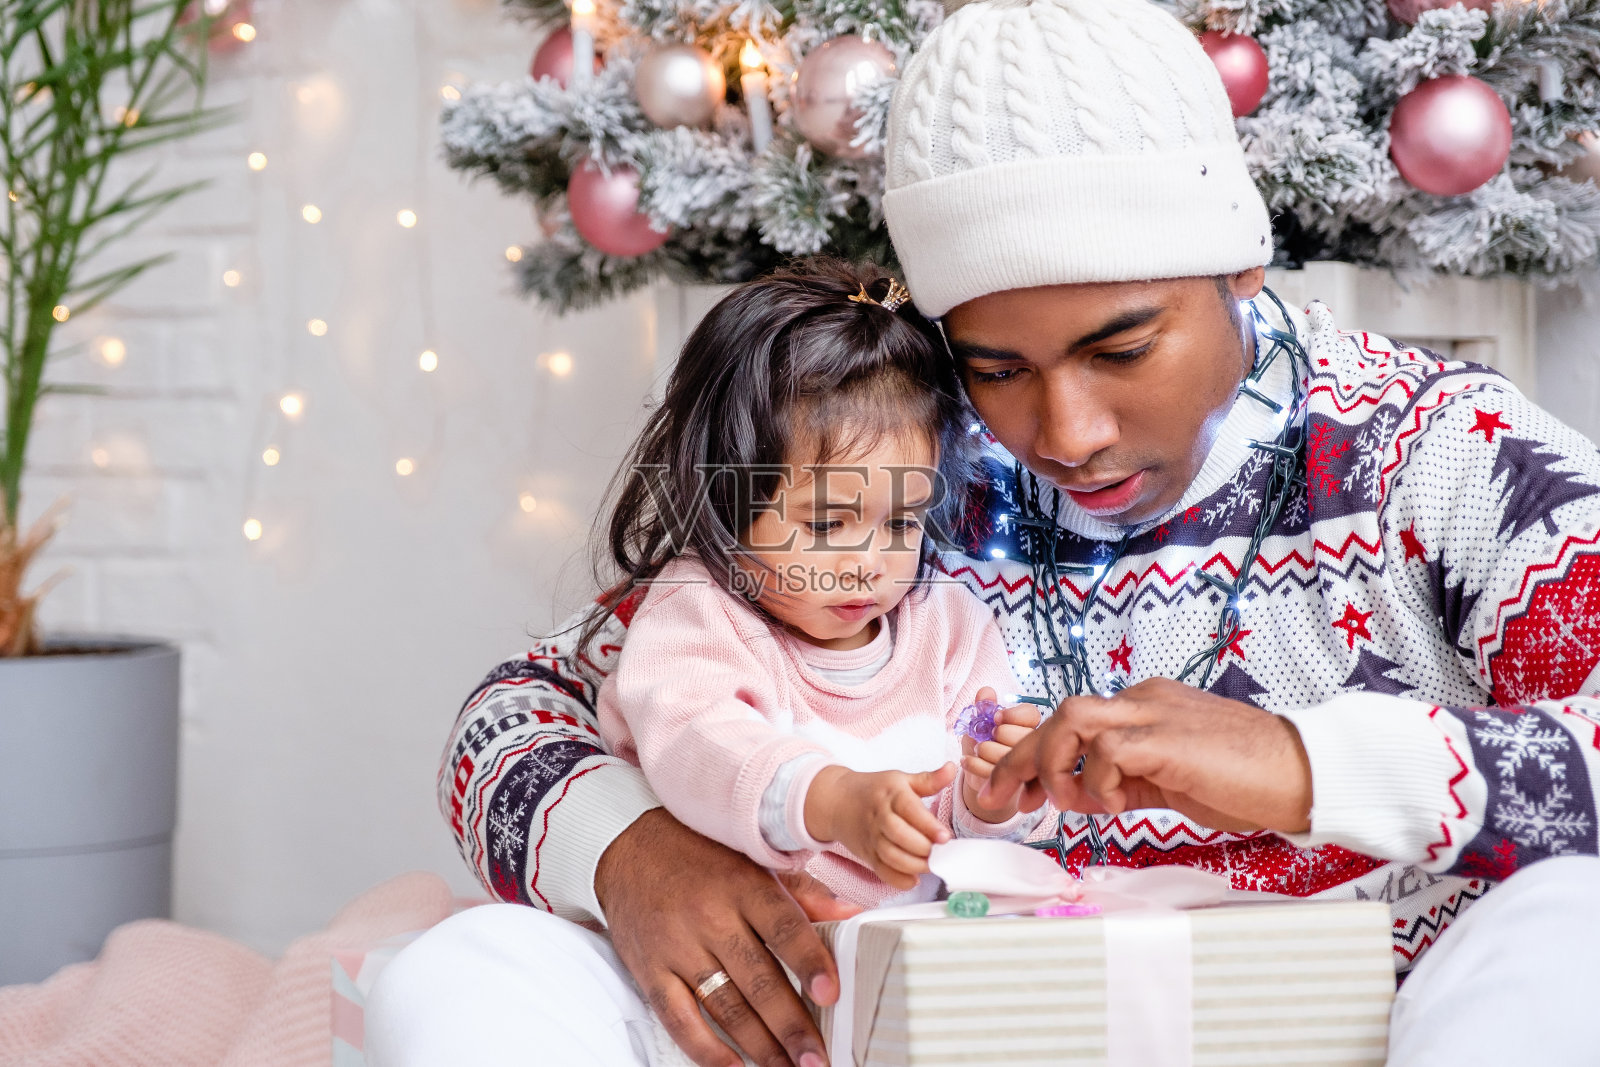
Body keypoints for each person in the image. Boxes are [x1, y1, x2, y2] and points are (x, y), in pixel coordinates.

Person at [369, 0, 1600, 1064]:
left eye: (1121, 348)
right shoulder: (895, 463)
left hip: (1346, 1029)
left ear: (1237, 269)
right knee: (473, 963)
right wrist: (630, 854)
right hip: (921, 1022)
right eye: (996, 364)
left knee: (1575, 932)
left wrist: (1301, 762)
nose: (1060, 426)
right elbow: (506, 717)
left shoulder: (1438, 452)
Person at [589, 259, 1043, 907]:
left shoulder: (951, 630)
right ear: (727, 498)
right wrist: (830, 799)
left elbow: (961, 829)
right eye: (828, 522)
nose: (867, 562)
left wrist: (990, 797)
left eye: (901, 521)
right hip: (731, 963)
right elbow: (696, 742)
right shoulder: (699, 611)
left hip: (890, 965)